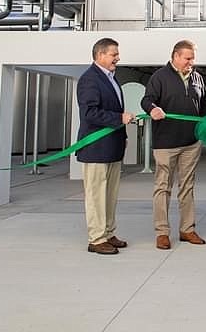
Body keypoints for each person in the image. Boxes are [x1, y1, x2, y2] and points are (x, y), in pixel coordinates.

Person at [141, 39, 206, 250]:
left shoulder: (197, 78)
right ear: (176, 56)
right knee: (163, 188)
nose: (191, 62)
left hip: (191, 143)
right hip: (166, 144)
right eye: (188, 58)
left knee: (187, 187)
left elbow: (203, 108)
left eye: (193, 58)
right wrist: (152, 109)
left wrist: (205, 129)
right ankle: (162, 233)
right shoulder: (159, 77)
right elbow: (146, 100)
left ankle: (187, 229)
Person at [76, 38, 137, 255]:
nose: (117, 58)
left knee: (110, 194)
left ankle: (109, 233)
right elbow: (90, 113)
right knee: (96, 196)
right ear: (100, 55)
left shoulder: (111, 79)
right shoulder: (89, 80)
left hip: (112, 147)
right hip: (96, 148)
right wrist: (119, 118)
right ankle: (97, 238)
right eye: (114, 54)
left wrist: (121, 134)